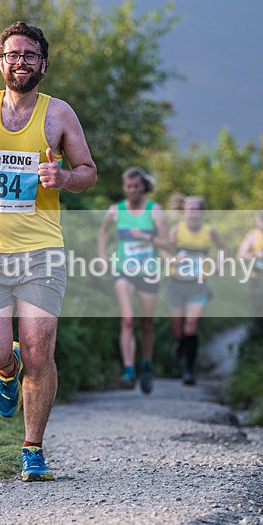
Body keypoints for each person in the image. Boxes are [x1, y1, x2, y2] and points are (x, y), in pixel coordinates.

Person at [0, 21, 97, 482]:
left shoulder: (59, 116)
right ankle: (6, 370)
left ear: (43, 65)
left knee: (40, 351)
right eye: (12, 55)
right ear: (0, 62)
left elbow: (88, 171)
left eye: (30, 55)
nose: (20, 62)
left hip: (42, 252)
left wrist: (65, 179)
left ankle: (33, 449)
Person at [97, 167, 169, 393]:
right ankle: (129, 370)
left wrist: (147, 237)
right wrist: (101, 255)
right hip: (123, 270)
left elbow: (167, 243)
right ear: (124, 187)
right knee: (128, 319)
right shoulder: (115, 211)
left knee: (146, 323)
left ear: (143, 186)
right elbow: (103, 233)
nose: (132, 191)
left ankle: (146, 364)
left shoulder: (155, 211)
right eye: (128, 187)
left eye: (136, 186)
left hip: (148, 271)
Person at [166, 196, 228, 385]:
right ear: (184, 212)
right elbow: (164, 250)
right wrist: (172, 259)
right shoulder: (177, 231)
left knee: (191, 325)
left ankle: (189, 371)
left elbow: (224, 249)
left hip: (198, 284)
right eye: (189, 209)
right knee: (178, 327)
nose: (193, 213)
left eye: (196, 209)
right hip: (176, 283)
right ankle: (180, 343)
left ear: (202, 213)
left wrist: (219, 264)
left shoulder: (209, 232)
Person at [237, 211, 263, 316]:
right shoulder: (253, 235)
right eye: (261, 219)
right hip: (257, 276)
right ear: (257, 221)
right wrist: (255, 254)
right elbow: (240, 255)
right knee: (260, 309)